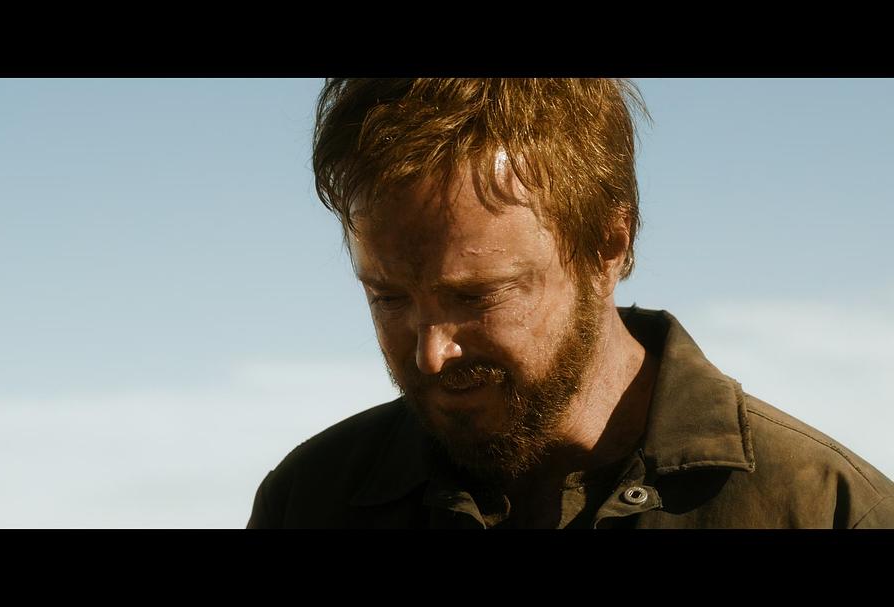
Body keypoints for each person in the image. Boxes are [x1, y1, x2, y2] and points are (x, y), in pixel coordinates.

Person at [246, 78, 894, 528]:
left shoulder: (828, 511)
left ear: (608, 246)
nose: (431, 352)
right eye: (388, 297)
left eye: (476, 295)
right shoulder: (309, 502)